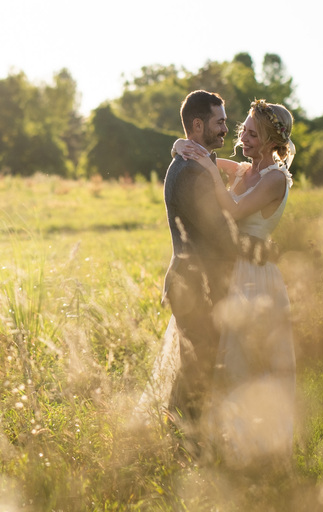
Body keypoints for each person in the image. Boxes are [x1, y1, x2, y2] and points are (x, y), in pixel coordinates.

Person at [173, 99, 296, 468]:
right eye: (242, 128)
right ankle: (226, 445)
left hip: (256, 278)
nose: (242, 136)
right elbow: (197, 154)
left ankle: (258, 449)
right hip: (232, 272)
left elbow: (233, 210)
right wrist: (182, 145)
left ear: (273, 140)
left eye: (252, 133)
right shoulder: (245, 168)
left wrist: (211, 174)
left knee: (250, 360)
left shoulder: (275, 178)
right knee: (227, 359)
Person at [138, 90, 250, 430]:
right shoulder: (191, 172)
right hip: (193, 285)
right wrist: (258, 250)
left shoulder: (198, 161)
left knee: (198, 364)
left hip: (198, 282)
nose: (225, 130)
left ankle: (185, 436)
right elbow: (219, 233)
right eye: (219, 123)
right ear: (198, 124)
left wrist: (177, 143)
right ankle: (185, 442)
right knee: (198, 367)